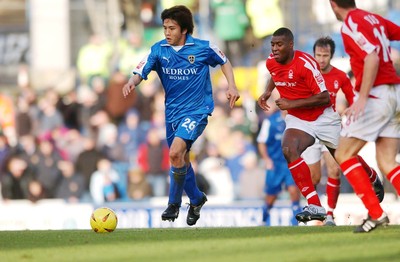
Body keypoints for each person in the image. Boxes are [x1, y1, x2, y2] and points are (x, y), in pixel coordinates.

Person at [122, 5, 240, 226]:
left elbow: (224, 61)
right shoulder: (158, 50)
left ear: (184, 30)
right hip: (172, 114)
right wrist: (132, 81)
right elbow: (141, 70)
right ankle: (196, 199)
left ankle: (173, 203)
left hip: (197, 111)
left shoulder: (203, 48)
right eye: (165, 27)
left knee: (176, 152)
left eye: (172, 28)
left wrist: (231, 86)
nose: (167, 32)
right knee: (180, 159)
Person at [257, 27, 342, 224]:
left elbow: (324, 97)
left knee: (345, 159)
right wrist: (268, 91)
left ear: (291, 45)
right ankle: (315, 205)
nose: (275, 48)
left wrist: (290, 104)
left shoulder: (305, 64)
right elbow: (275, 73)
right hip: (299, 119)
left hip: (324, 117)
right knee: (288, 148)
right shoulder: (271, 61)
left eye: (279, 45)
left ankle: (371, 176)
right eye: (272, 44)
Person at [329, 0, 400, 233]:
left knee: (343, 154)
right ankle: (377, 213)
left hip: (376, 96)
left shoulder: (351, 24)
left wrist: (362, 97)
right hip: (395, 94)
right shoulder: (374, 18)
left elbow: (371, 58)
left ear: (333, 4)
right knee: (387, 162)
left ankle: (377, 213)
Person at [301, 36, 384, 226]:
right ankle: (370, 175)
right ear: (313, 55)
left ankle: (329, 215)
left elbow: (352, 99)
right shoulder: (306, 74)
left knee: (334, 169)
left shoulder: (340, 76)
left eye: (325, 55)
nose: (321, 59)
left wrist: (353, 110)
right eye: (318, 55)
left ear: (331, 55)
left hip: (330, 126)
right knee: (314, 176)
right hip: (310, 128)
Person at [257, 95, 302, 226]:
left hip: (290, 163)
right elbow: (261, 142)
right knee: (271, 195)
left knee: (293, 190)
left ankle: (296, 221)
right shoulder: (270, 121)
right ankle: (264, 218)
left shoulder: (296, 122)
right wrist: (267, 160)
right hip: (275, 164)